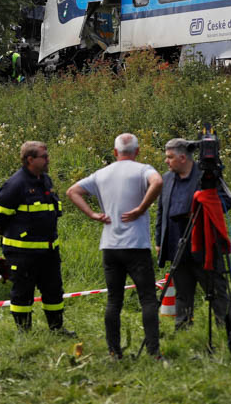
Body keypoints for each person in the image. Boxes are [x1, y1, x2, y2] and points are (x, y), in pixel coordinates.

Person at [66, 133, 163, 359]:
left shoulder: (102, 173)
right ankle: (153, 351)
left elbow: (73, 191)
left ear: (115, 152)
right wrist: (141, 208)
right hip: (137, 245)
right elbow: (157, 181)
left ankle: (113, 351)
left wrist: (92, 214)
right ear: (137, 151)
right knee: (147, 299)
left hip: (110, 246)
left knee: (114, 300)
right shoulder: (142, 170)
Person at [0, 141, 72, 334]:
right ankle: (24, 332)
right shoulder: (16, 184)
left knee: (53, 291)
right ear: (30, 159)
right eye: (43, 157)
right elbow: (0, 215)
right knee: (22, 293)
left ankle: (56, 328)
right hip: (23, 253)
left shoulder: (45, 180)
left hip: (48, 251)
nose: (48, 160)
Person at [155, 138, 231, 329]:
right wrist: (158, 241)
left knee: (216, 289)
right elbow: (161, 211)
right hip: (176, 245)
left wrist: (204, 204)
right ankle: (182, 329)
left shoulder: (206, 177)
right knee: (182, 292)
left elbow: (226, 201)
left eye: (170, 157)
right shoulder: (166, 179)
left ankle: (227, 327)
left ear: (183, 157)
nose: (167, 161)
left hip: (204, 244)